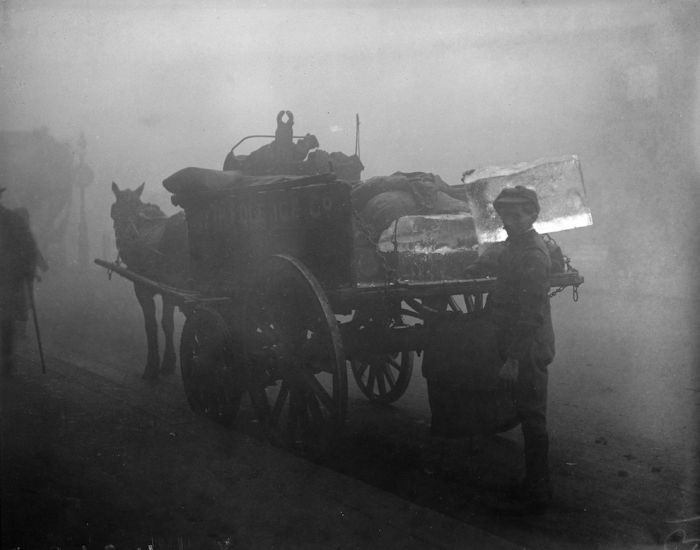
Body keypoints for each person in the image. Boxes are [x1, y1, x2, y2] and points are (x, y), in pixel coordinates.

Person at [468, 185, 555, 513]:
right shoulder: (515, 247)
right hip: (519, 343)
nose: (510, 221)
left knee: (533, 415)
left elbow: (530, 314)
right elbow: (500, 265)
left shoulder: (532, 253)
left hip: (528, 346)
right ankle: (534, 484)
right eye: (506, 215)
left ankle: (539, 489)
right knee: (527, 410)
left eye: (519, 215)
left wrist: (514, 359)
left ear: (533, 215)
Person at [0, 187, 41, 376]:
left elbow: (29, 248)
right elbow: (30, 248)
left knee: (6, 318)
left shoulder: (13, 220)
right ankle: (7, 359)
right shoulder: (14, 220)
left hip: (8, 277)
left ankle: (7, 358)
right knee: (6, 318)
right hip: (9, 276)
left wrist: (27, 270)